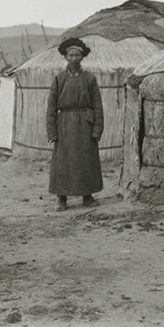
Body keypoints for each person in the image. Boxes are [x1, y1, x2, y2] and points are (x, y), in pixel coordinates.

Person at [46, 38, 104, 212]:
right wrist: (52, 133)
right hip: (64, 125)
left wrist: (97, 129)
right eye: (70, 55)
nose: (73, 58)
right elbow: (51, 107)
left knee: (86, 160)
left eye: (77, 55)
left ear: (82, 57)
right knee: (63, 162)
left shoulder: (89, 78)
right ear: (65, 57)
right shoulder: (59, 79)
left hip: (85, 125)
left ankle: (87, 196)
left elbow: (98, 106)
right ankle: (61, 198)